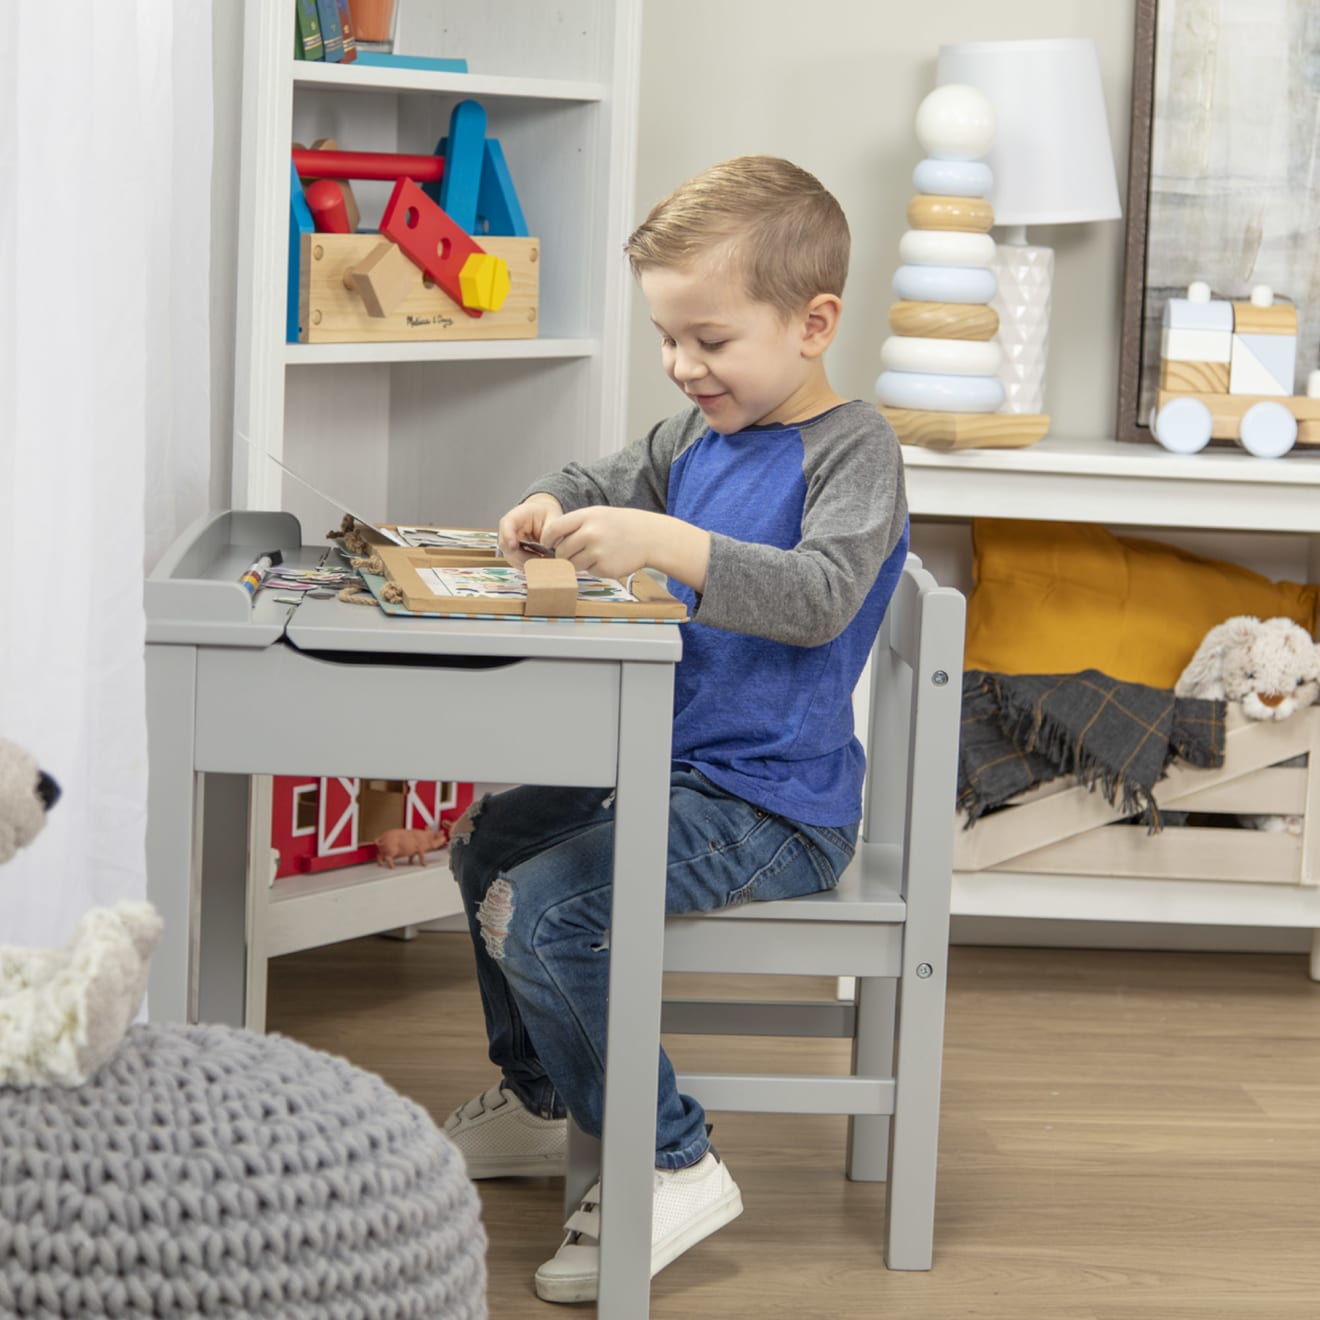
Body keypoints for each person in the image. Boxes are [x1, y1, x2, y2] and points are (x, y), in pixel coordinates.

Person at [443, 154, 909, 1304]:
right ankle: (541, 1097)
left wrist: (667, 546)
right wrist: (548, 506)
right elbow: (588, 474)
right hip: (669, 772)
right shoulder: (691, 441)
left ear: (813, 325)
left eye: (710, 339)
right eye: (667, 338)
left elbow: (819, 596)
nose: (683, 365)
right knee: (490, 842)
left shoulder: (856, 452)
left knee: (546, 913)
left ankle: (670, 1161)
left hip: (773, 804)